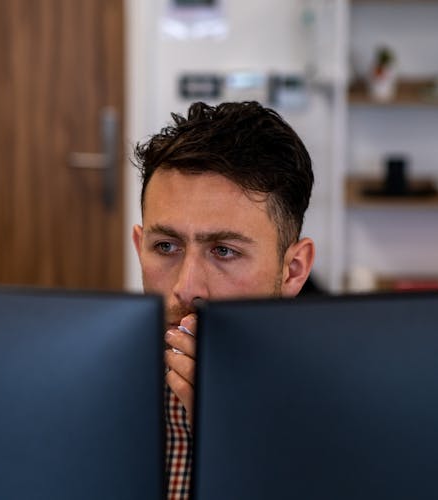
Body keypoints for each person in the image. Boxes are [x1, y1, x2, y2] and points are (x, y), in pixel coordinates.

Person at [132, 101, 316, 499]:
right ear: (138, 246)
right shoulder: (96, 390)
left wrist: (235, 436)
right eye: (165, 246)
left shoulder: (337, 408)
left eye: (224, 251)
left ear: (294, 270)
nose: (187, 287)